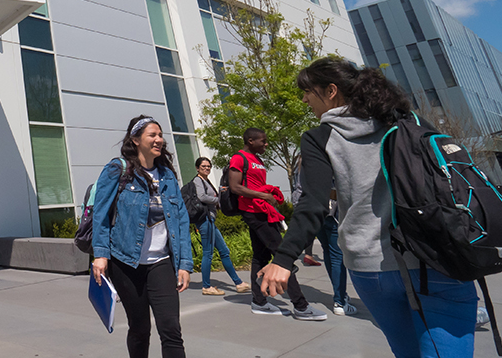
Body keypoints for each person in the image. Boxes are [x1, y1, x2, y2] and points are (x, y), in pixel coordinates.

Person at [260, 58, 477, 356]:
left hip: (373, 267)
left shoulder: (320, 138)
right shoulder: (407, 121)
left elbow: (313, 203)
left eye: (308, 91)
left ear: (332, 91)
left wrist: (283, 259)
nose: (304, 98)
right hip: (439, 258)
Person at [91, 116, 192, 358]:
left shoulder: (167, 175)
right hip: (126, 263)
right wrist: (101, 255)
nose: (159, 140)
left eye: (160, 135)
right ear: (136, 140)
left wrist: (185, 264)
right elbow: (100, 215)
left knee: (171, 329)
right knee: (139, 328)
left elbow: (181, 221)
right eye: (152, 135)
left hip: (161, 262)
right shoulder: (118, 170)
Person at [229, 128, 326, 320]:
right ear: (250, 141)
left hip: (262, 211)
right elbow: (235, 187)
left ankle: (259, 302)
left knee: (260, 257)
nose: (266, 144)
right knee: (284, 256)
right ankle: (301, 306)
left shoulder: (257, 160)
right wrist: (263, 195)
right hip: (253, 213)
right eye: (262, 141)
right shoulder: (239, 158)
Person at [291, 161, 355, 316]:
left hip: (313, 213)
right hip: (331, 213)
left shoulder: (302, 163)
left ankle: (339, 295)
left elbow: (299, 190)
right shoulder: (328, 160)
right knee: (336, 255)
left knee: (328, 252)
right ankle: (340, 300)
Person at [191, 157, 249, 296]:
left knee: (224, 251)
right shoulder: (197, 180)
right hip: (205, 221)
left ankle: (239, 283)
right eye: (203, 166)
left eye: (208, 166)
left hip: (210, 220)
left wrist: (220, 192)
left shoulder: (206, 181)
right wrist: (219, 199)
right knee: (208, 254)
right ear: (197, 168)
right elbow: (202, 197)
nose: (207, 168)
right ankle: (206, 286)